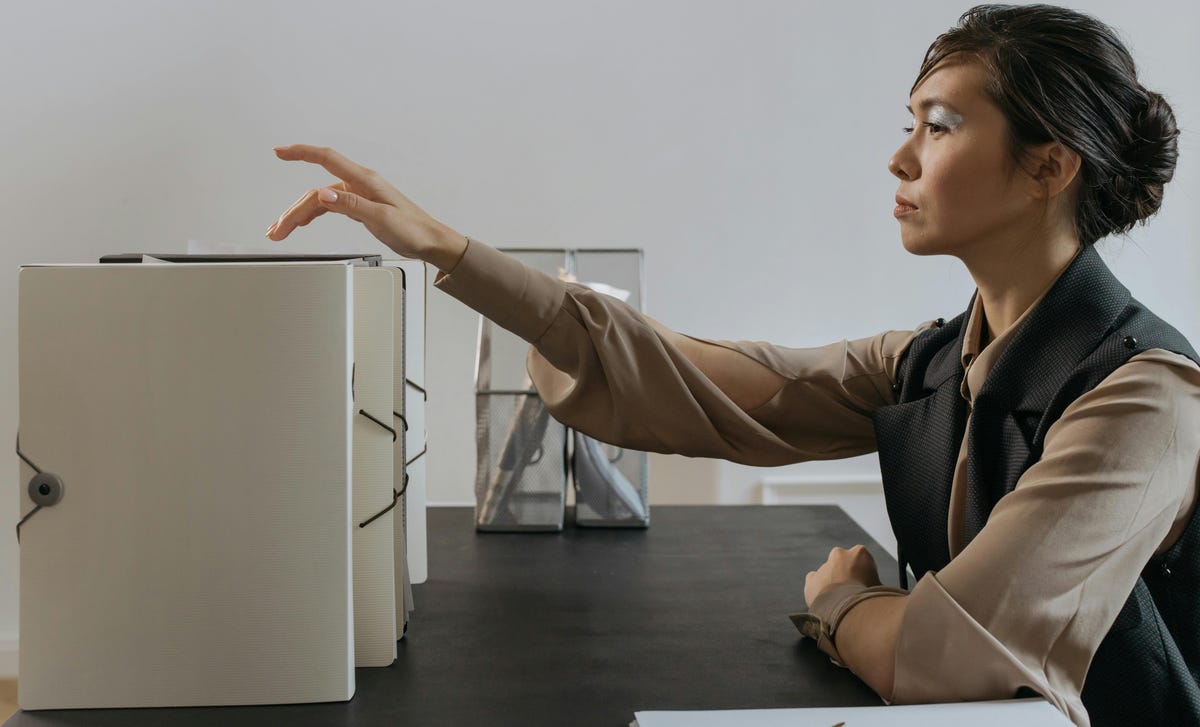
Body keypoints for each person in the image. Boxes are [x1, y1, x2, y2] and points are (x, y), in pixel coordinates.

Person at [263, 5, 1200, 725]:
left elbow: (945, 655)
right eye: (910, 124)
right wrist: (450, 250)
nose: (899, 158)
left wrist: (842, 603)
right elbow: (703, 380)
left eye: (940, 126)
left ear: (1049, 169)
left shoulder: (1144, 397)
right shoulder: (932, 359)